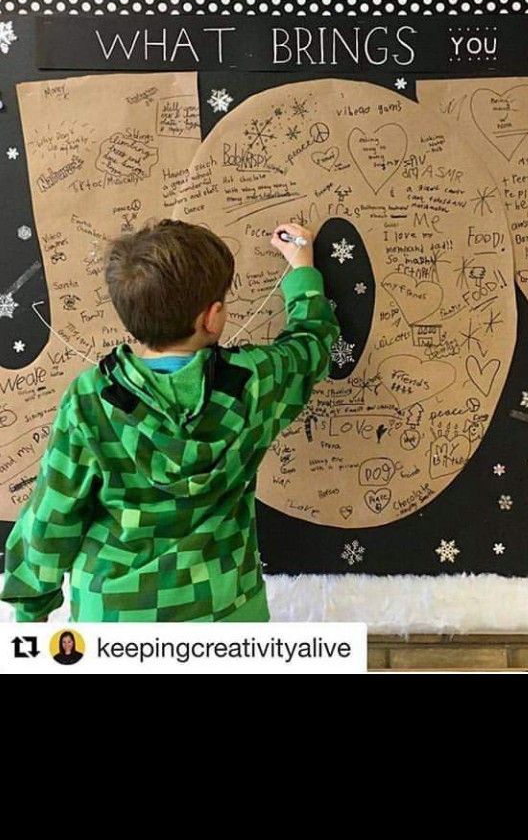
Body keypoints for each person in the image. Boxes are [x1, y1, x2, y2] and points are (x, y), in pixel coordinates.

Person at [1, 220, 340, 623]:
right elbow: (312, 344)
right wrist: (301, 267)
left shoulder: (90, 400)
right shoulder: (254, 382)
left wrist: (31, 611)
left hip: (113, 624)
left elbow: (52, 516)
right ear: (212, 318)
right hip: (226, 618)